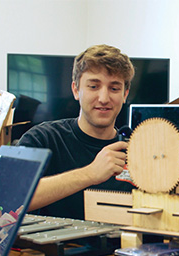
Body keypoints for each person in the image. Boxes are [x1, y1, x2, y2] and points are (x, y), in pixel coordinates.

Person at [17, 44, 135, 220]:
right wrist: (90, 174)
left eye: (114, 88)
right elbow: (11, 198)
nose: (103, 99)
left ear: (125, 94)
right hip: (56, 246)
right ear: (75, 90)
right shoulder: (43, 139)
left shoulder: (137, 151)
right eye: (93, 87)